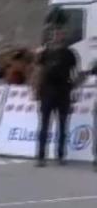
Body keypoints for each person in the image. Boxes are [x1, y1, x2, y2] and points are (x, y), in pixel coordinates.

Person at [34, 26, 79, 167]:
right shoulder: (45, 53)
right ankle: (41, 156)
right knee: (44, 125)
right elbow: (38, 69)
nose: (58, 36)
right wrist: (36, 89)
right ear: (52, 37)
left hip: (63, 92)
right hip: (47, 92)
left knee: (62, 125)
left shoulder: (70, 54)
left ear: (64, 37)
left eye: (61, 34)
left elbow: (75, 72)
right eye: (56, 34)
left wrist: (74, 87)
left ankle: (60, 155)